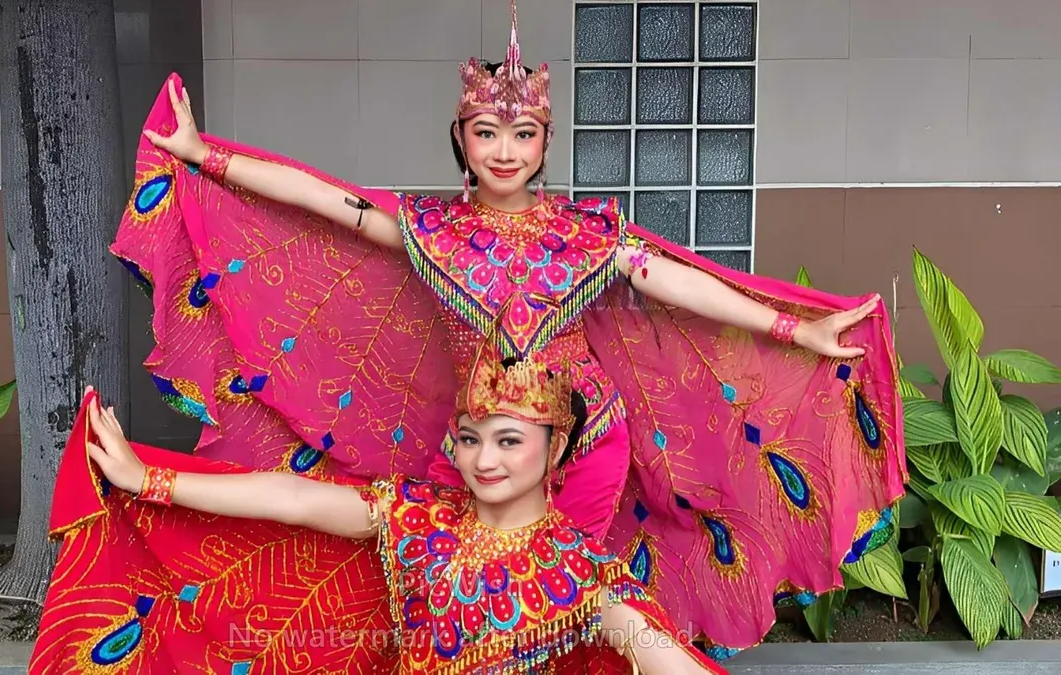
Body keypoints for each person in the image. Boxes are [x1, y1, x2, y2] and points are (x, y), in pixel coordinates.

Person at [103, 0, 905, 658]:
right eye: (487, 132)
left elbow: (677, 283)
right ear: (462, 139)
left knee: (564, 611)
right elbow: (326, 200)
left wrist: (793, 331)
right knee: (443, 587)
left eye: (524, 135)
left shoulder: (588, 233)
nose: (506, 150)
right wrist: (204, 157)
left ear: (546, 142)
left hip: (583, 446)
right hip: (480, 437)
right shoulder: (432, 230)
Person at [35, 333, 727, 673]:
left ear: (554, 452)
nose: (484, 459)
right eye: (470, 438)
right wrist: (149, 481)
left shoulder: (580, 574)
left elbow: (660, 653)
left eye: (509, 439)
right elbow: (295, 498)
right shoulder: (419, 518)